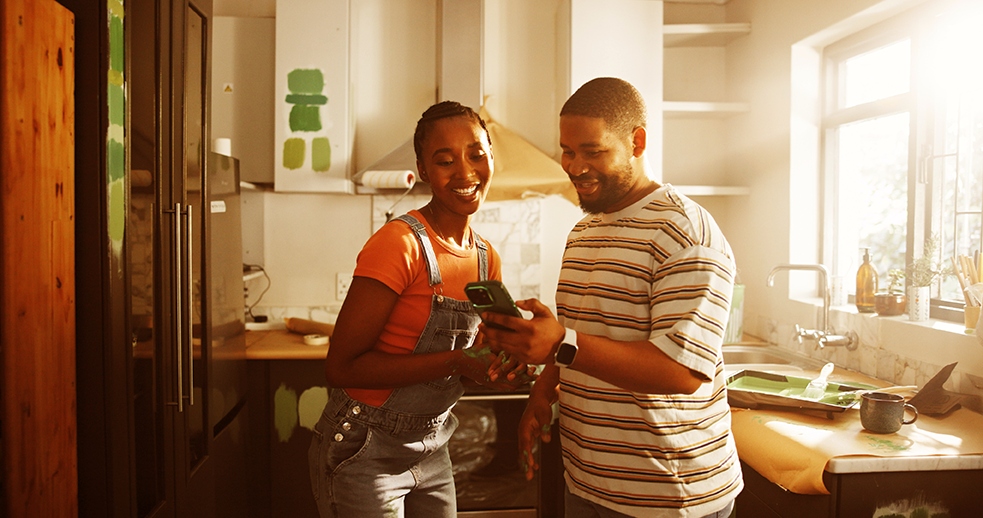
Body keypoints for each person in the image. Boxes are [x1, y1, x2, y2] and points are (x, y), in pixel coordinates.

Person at [480, 78, 743, 518]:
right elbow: (582, 343)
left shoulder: (685, 232)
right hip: (589, 483)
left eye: (593, 151)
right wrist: (542, 393)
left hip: (669, 495)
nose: (575, 166)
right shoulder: (585, 230)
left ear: (636, 142)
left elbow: (681, 372)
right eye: (567, 150)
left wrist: (560, 342)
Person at [308, 101, 534, 518]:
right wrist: (460, 361)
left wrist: (508, 359)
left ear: (491, 158)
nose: (466, 173)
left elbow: (484, 354)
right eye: (445, 160)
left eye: (476, 154)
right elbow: (341, 368)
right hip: (365, 446)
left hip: (432, 446)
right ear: (424, 169)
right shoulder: (400, 244)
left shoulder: (486, 259)